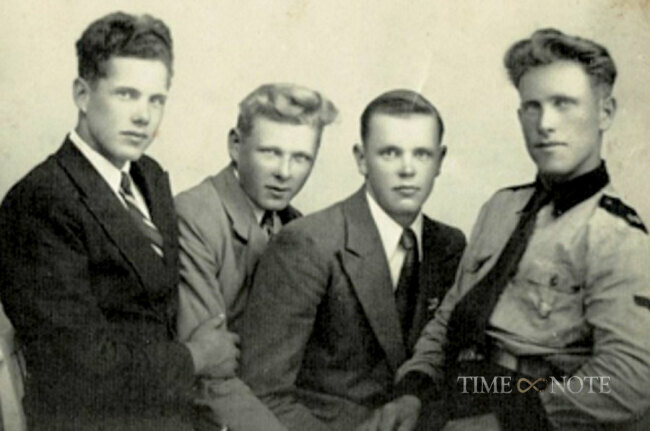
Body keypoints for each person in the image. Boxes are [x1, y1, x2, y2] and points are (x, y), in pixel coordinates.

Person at [360, 29, 650, 431]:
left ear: (605, 113)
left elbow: (629, 380)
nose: (545, 123)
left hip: (540, 416)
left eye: (563, 104)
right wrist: (413, 390)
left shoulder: (618, 236)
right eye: (532, 106)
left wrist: (503, 423)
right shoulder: (501, 208)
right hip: (459, 395)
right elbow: (450, 318)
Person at [0, 12, 229, 430]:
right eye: (126, 94)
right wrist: (196, 356)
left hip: (169, 408)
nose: (144, 116)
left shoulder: (149, 177)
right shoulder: (39, 202)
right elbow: (80, 367)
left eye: (156, 100)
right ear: (82, 94)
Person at [237, 89, 466, 431]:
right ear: (361, 159)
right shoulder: (308, 243)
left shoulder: (449, 245)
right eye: (390, 153)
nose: (407, 169)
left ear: (440, 160)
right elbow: (263, 394)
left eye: (422, 154)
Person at [175, 83, 337, 430]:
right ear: (235, 144)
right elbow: (209, 375)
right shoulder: (194, 216)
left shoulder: (293, 225)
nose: (285, 172)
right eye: (270, 153)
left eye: (301, 158)